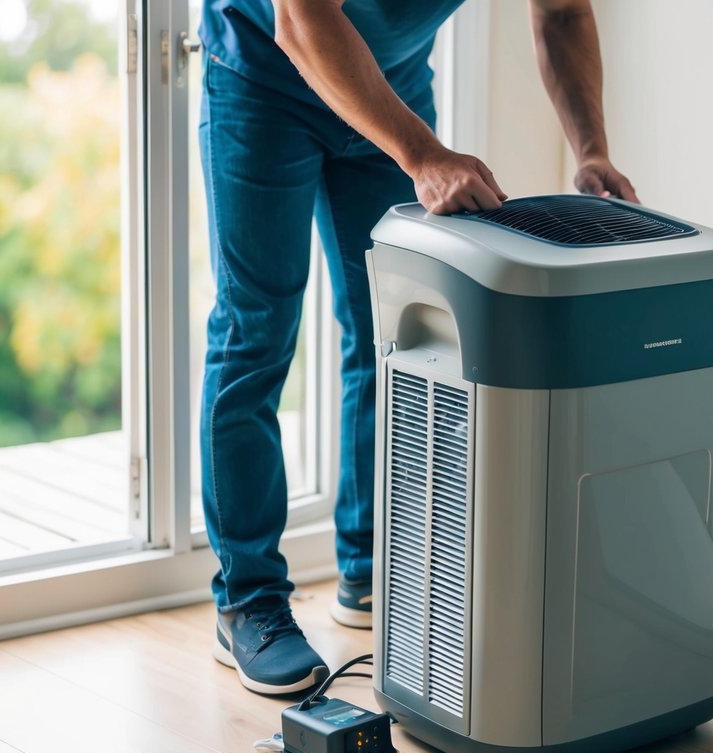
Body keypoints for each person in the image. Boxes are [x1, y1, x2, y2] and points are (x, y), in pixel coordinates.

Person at [199, 0, 638, 695]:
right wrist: (423, 155)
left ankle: (374, 568)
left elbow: (560, 13)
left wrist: (590, 151)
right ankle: (247, 600)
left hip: (386, 82)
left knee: (393, 333)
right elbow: (301, 20)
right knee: (253, 333)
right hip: (264, 79)